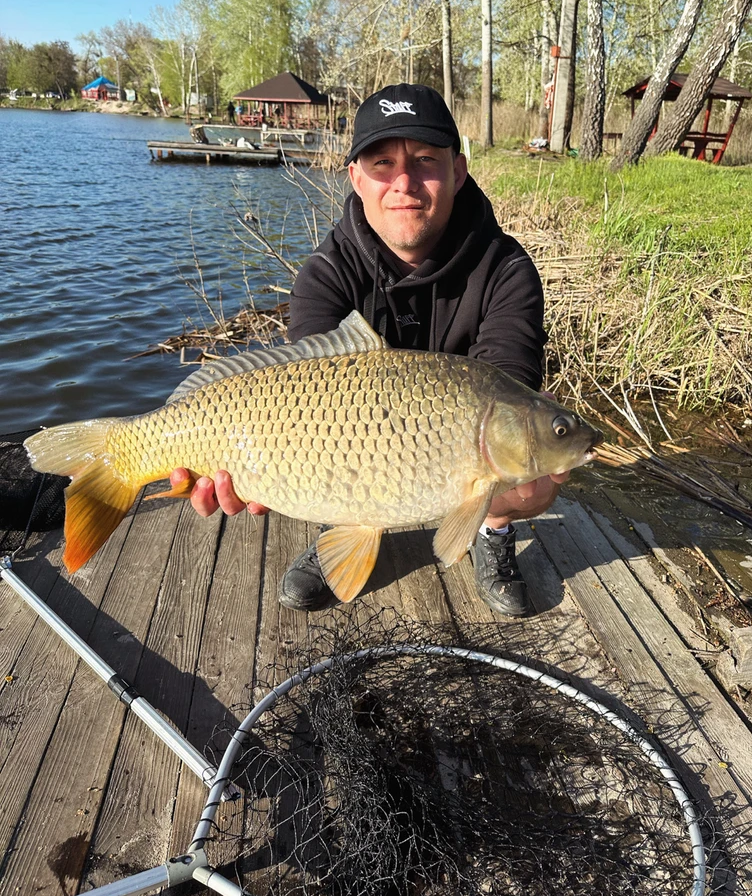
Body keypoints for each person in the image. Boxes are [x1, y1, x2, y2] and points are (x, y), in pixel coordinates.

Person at [170, 83, 565, 617]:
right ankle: (341, 529)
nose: (404, 183)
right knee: (327, 440)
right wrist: (248, 466)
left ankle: (492, 531)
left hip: (455, 451)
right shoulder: (325, 273)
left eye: (425, 160)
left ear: (458, 170)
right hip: (345, 454)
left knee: (528, 474)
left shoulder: (507, 270)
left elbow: (506, 381)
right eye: (383, 163)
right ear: (356, 178)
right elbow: (302, 402)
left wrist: (540, 437)